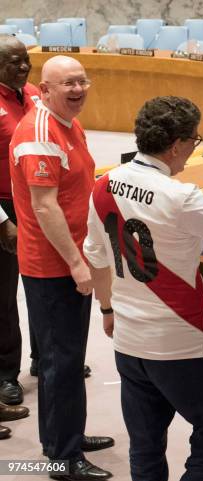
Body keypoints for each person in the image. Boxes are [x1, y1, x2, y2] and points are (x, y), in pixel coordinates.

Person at [85, 96, 203, 481]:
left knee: (144, 443)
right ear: (176, 145)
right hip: (182, 340)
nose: (194, 147)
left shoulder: (103, 184)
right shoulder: (181, 197)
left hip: (128, 337)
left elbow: (95, 255)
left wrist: (107, 310)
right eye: (193, 140)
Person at [9, 55, 113, 481]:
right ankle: (63, 457)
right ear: (44, 89)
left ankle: (65, 435)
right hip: (53, 266)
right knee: (59, 361)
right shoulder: (38, 133)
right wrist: (76, 262)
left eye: (81, 81)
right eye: (66, 84)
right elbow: (43, 206)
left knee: (66, 359)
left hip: (72, 259)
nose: (77, 89)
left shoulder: (67, 123)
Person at [0, 35, 39, 409]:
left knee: (45, 282)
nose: (23, 67)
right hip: (3, 208)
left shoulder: (34, 95)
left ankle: (46, 358)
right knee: (4, 296)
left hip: (37, 202)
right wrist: (2, 221)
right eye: (14, 61)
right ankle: (5, 374)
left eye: (26, 59)